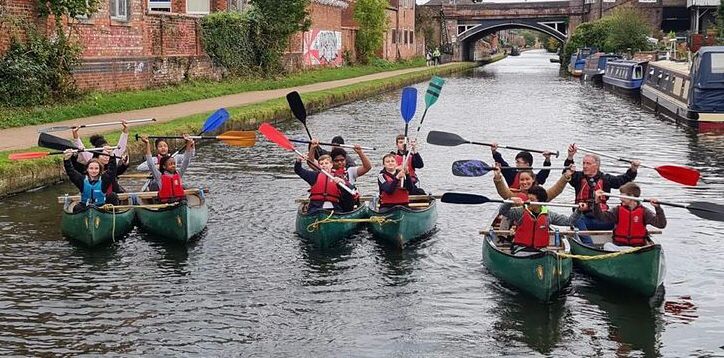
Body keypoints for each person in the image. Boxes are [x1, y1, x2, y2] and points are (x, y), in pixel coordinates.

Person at [564, 143, 639, 243]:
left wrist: (633, 169)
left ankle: (622, 242)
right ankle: (588, 245)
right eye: (583, 163)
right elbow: (566, 173)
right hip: (584, 220)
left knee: (622, 216)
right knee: (576, 219)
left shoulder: (606, 179)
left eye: (588, 164)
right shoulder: (578, 177)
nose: (584, 166)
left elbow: (623, 180)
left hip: (602, 219)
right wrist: (570, 156)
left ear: (597, 166)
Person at [499, 185, 583, 255]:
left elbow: (569, 221)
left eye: (532, 200)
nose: (528, 201)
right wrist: (509, 202)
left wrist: (578, 210)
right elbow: (503, 211)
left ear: (540, 202)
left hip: (541, 251)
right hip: (521, 249)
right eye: (528, 198)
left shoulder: (549, 215)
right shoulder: (520, 212)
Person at [590, 182, 666, 251]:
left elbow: (661, 224)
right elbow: (600, 217)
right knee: (607, 245)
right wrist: (597, 202)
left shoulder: (644, 212)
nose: (620, 198)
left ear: (632, 196)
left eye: (622, 195)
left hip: (637, 249)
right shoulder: (617, 210)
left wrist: (657, 208)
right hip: (619, 247)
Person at [62, 147, 120, 212]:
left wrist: (112, 155)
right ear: (87, 169)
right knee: (76, 208)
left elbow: (112, 170)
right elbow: (71, 171)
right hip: (85, 207)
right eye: (91, 168)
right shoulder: (81, 180)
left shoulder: (104, 180)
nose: (93, 171)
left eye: (96, 168)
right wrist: (67, 159)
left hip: (101, 207)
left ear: (100, 169)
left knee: (113, 195)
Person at [141, 135, 194, 203]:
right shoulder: (159, 176)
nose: (173, 166)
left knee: (184, 192)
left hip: (179, 201)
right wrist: (147, 144)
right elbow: (150, 164)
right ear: (164, 167)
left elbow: (186, 161)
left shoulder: (179, 174)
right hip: (165, 203)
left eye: (174, 164)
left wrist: (189, 144)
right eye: (170, 164)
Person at [493, 164, 573, 202]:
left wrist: (565, 177)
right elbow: (503, 192)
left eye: (527, 179)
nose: (524, 182)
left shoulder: (541, 195)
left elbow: (556, 189)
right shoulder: (515, 194)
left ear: (533, 179)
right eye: (522, 180)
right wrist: (497, 177)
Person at [327, 144, 372, 212]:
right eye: (336, 161)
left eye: (342, 160)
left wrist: (360, 152)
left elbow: (367, 167)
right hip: (334, 203)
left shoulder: (350, 171)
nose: (339, 162)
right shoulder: (327, 172)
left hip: (348, 203)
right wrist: (312, 148)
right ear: (332, 162)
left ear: (345, 160)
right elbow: (312, 162)